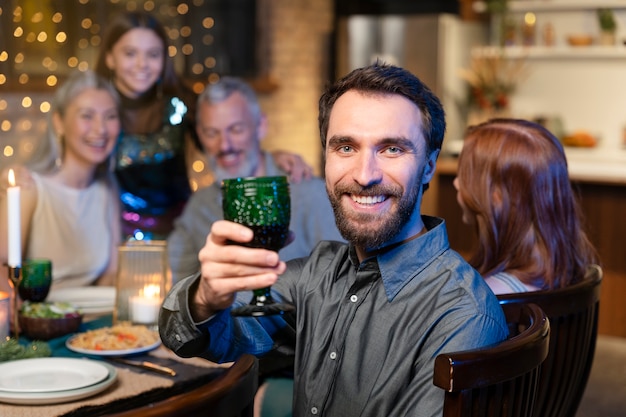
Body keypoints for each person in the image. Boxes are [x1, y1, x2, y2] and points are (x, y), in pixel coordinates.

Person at [159, 62, 509, 416]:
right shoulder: (316, 275)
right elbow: (189, 336)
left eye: (391, 149)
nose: (364, 175)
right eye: (345, 147)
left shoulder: (464, 315)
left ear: (429, 165)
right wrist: (206, 296)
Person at [95, 11, 313, 241]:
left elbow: (223, 145)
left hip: (178, 231)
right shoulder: (97, 109)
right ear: (109, 57)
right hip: (115, 233)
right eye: (130, 53)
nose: (142, 64)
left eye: (153, 54)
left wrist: (272, 157)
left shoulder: (181, 102)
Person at [167, 76, 343, 284]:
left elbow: (344, 283)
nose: (225, 145)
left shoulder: (308, 193)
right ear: (200, 135)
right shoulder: (200, 206)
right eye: (212, 133)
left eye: (236, 129)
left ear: (260, 127)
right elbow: (175, 288)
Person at [0, 70, 121, 295]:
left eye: (110, 116)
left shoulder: (107, 187)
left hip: (92, 323)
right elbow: (2, 271)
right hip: (34, 322)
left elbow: (111, 275)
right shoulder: (28, 188)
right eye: (87, 116)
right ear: (59, 123)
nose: (101, 129)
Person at [453, 118, 599, 294]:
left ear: (497, 197)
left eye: (465, 177)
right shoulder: (572, 272)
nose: (456, 184)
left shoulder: (486, 297)